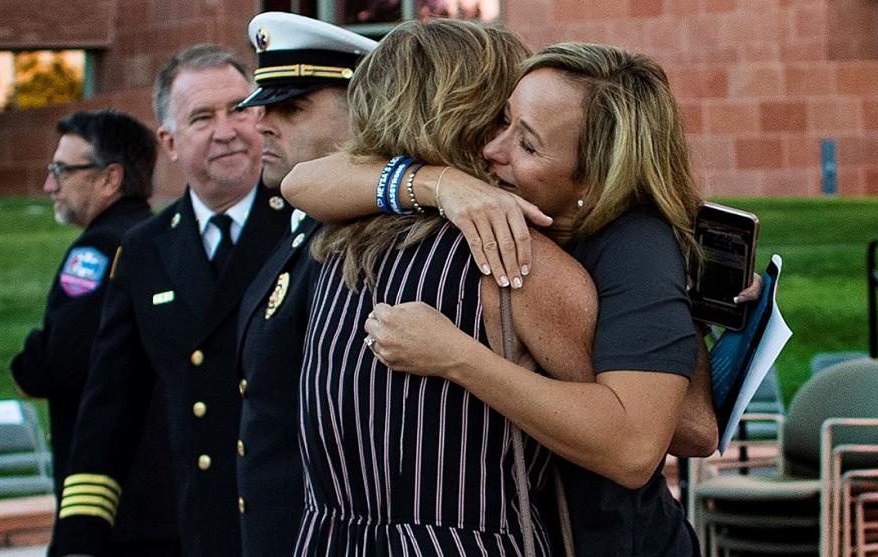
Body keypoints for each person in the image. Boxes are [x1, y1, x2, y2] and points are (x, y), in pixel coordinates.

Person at [287, 42, 722, 555]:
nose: (495, 149)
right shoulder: (423, 219)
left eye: (527, 143)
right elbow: (300, 182)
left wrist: (458, 357)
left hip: (615, 539)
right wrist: (440, 183)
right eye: (502, 121)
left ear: (593, 177)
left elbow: (674, 433)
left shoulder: (624, 250)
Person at [293, 19, 598, 556]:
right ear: (475, 117)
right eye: (506, 112)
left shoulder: (333, 239)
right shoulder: (513, 257)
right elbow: (645, 426)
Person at [51, 44, 286, 557]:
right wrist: (76, 543)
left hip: (296, 531)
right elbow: (109, 409)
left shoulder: (307, 227)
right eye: (202, 118)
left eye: (240, 109)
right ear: (170, 141)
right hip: (204, 530)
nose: (227, 131)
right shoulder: (146, 250)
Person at [232, 12, 376, 557]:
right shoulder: (300, 230)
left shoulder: (361, 246)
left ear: (362, 112)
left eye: (291, 108)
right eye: (263, 107)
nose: (261, 124)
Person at [11, 109, 180, 557]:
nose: (51, 185)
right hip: (169, 496)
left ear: (110, 179)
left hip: (109, 503)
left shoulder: (100, 249)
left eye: (62, 170)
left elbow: (53, 364)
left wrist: (28, 354)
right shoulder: (161, 238)